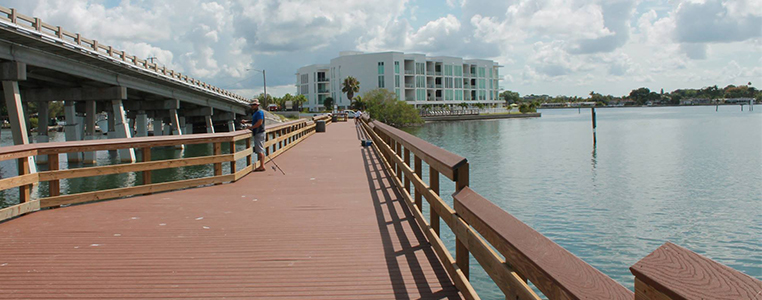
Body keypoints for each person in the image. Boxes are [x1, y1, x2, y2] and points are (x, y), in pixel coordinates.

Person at [249, 99, 266, 171]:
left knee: (259, 150)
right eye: (251, 105)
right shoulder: (256, 113)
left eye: (253, 105)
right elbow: (255, 121)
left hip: (259, 133)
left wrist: (251, 127)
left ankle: (262, 166)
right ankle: (262, 165)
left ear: (257, 105)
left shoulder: (259, 112)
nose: (252, 106)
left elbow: (259, 122)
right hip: (258, 133)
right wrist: (246, 121)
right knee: (260, 149)